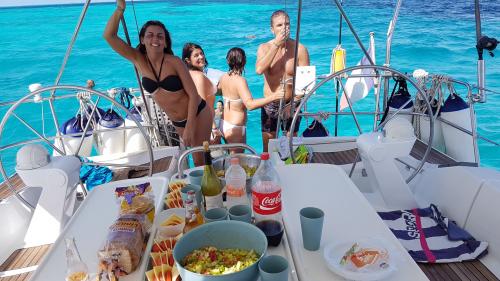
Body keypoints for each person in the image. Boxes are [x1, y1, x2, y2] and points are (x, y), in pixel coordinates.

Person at [103, 0, 212, 165]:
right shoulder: (138, 59)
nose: (156, 39)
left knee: (200, 159)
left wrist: (190, 126)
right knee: (190, 160)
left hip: (197, 113)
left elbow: (193, 95)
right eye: (150, 35)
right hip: (177, 121)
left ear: (166, 42)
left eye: (160, 36)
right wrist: (120, 9)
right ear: (142, 39)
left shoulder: (174, 62)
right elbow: (109, 36)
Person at [255, 10, 310, 152]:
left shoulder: (300, 49)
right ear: (272, 29)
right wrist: (277, 45)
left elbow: (307, 82)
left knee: (292, 145)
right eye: (279, 25)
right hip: (270, 102)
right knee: (268, 146)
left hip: (293, 102)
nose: (284, 28)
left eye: (287, 24)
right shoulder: (264, 47)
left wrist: (293, 102)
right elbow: (259, 69)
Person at [218, 47, 283, 152]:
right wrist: (274, 96)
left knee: (230, 160)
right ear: (244, 61)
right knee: (237, 162)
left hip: (223, 123)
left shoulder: (223, 77)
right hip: (236, 127)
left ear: (227, 60)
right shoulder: (240, 81)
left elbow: (217, 91)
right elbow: (250, 105)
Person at [182, 43, 216, 111]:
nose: (201, 57)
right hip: (206, 120)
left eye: (201, 53)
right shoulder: (198, 77)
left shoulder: (188, 75)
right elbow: (202, 106)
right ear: (188, 60)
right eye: (196, 55)